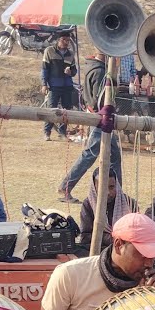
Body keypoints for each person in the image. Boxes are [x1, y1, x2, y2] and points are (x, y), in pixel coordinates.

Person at [40, 213, 155, 310]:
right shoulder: (70, 275)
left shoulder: (146, 285)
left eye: (153, 257)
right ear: (119, 245)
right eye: (143, 255)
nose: (149, 264)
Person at [59, 45, 122, 203]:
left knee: (114, 156)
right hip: (100, 119)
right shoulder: (100, 72)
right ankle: (65, 187)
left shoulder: (94, 68)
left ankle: (117, 192)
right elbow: (100, 99)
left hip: (98, 117)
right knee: (89, 155)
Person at [79, 167, 139, 250]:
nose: (107, 192)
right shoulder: (88, 204)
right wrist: (112, 238)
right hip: (98, 250)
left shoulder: (129, 203)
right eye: (102, 188)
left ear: (117, 186)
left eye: (111, 187)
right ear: (94, 188)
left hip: (125, 250)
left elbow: (137, 233)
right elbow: (85, 236)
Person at [42, 33, 77, 142]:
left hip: (67, 85)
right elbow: (45, 69)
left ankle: (62, 133)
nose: (66, 42)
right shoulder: (49, 51)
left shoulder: (71, 54)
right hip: (54, 85)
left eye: (68, 40)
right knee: (51, 109)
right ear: (58, 40)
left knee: (66, 110)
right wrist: (44, 84)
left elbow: (74, 70)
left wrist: (70, 72)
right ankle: (47, 132)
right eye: (64, 39)